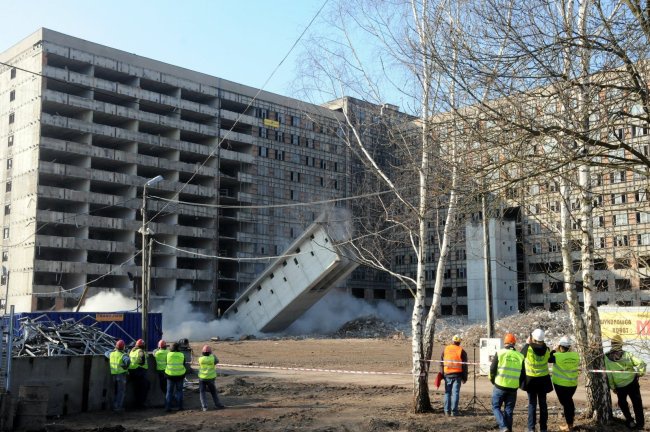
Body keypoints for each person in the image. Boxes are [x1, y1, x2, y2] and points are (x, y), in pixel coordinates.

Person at [605, 334, 646, 430]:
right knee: (637, 403)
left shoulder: (606, 357)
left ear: (611, 344)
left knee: (622, 404)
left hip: (619, 386)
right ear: (621, 344)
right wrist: (640, 373)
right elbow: (641, 363)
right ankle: (640, 424)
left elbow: (609, 374)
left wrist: (612, 387)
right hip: (632, 383)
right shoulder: (627, 354)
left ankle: (630, 421)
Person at [490, 333, 524, 432]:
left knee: (496, 407)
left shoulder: (500, 353)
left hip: (499, 386)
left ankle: (503, 427)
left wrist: (493, 380)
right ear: (514, 343)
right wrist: (518, 384)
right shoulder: (520, 356)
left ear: (505, 343)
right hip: (513, 388)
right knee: (509, 411)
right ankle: (508, 429)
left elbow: (492, 369)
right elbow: (523, 374)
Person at [520, 328, 554, 432]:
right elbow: (550, 358)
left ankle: (531, 428)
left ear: (532, 338)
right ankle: (543, 428)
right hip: (543, 380)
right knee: (543, 404)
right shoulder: (547, 350)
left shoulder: (528, 348)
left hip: (531, 380)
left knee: (532, 404)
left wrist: (527, 343)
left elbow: (521, 356)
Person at [550, 336, 580, 431]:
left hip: (561, 385)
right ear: (569, 347)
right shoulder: (576, 355)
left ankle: (569, 425)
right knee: (568, 403)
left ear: (560, 346)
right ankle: (570, 421)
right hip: (573, 384)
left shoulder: (557, 356)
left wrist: (553, 350)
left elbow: (548, 358)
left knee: (567, 404)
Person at [440, 334, 468, 416]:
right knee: (455, 393)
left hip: (447, 374)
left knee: (447, 393)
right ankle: (454, 412)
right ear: (459, 342)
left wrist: (441, 374)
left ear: (452, 341)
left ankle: (446, 411)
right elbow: (464, 365)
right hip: (457, 375)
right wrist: (464, 377)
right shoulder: (461, 350)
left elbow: (441, 362)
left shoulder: (446, 349)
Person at [198, 344, 226, 411]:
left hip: (202, 378)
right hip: (211, 378)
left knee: (202, 392)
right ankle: (218, 404)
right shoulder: (213, 357)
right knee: (213, 392)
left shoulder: (200, 359)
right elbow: (217, 361)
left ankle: (204, 407)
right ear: (210, 352)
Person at [106, 339, 130, 412]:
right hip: (121, 375)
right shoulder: (123, 355)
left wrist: (114, 350)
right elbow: (128, 361)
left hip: (114, 374)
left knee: (115, 391)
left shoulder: (111, 354)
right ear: (123, 347)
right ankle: (118, 407)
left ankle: (113, 406)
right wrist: (126, 366)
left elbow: (106, 352)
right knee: (121, 391)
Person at [165, 342, 187, 412]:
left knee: (169, 392)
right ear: (178, 348)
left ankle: (168, 407)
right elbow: (184, 364)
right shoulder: (182, 355)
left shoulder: (168, 355)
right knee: (179, 391)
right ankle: (180, 407)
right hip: (180, 375)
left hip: (170, 375)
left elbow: (166, 362)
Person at [128, 338, 150, 409]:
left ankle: (137, 404)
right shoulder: (140, 351)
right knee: (144, 388)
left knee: (137, 389)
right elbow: (142, 359)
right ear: (142, 345)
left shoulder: (131, 351)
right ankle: (141, 404)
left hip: (132, 372)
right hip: (140, 371)